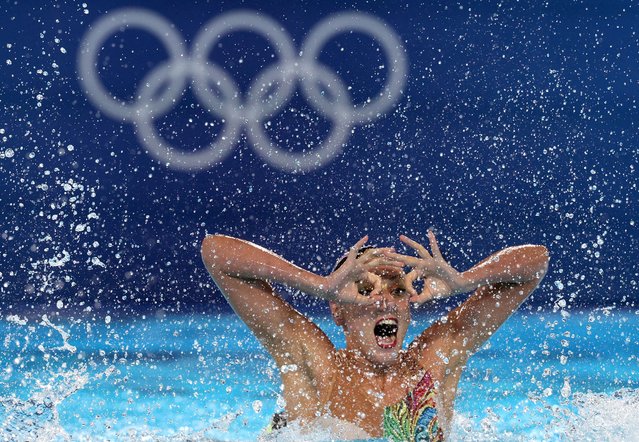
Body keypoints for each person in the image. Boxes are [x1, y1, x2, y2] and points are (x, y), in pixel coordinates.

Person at [200, 231, 549, 440]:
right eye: (365, 291)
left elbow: (536, 262)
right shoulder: (316, 365)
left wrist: (463, 282)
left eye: (397, 291)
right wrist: (319, 286)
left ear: (409, 307)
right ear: (339, 310)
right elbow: (216, 252)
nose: (384, 299)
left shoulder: (435, 359)